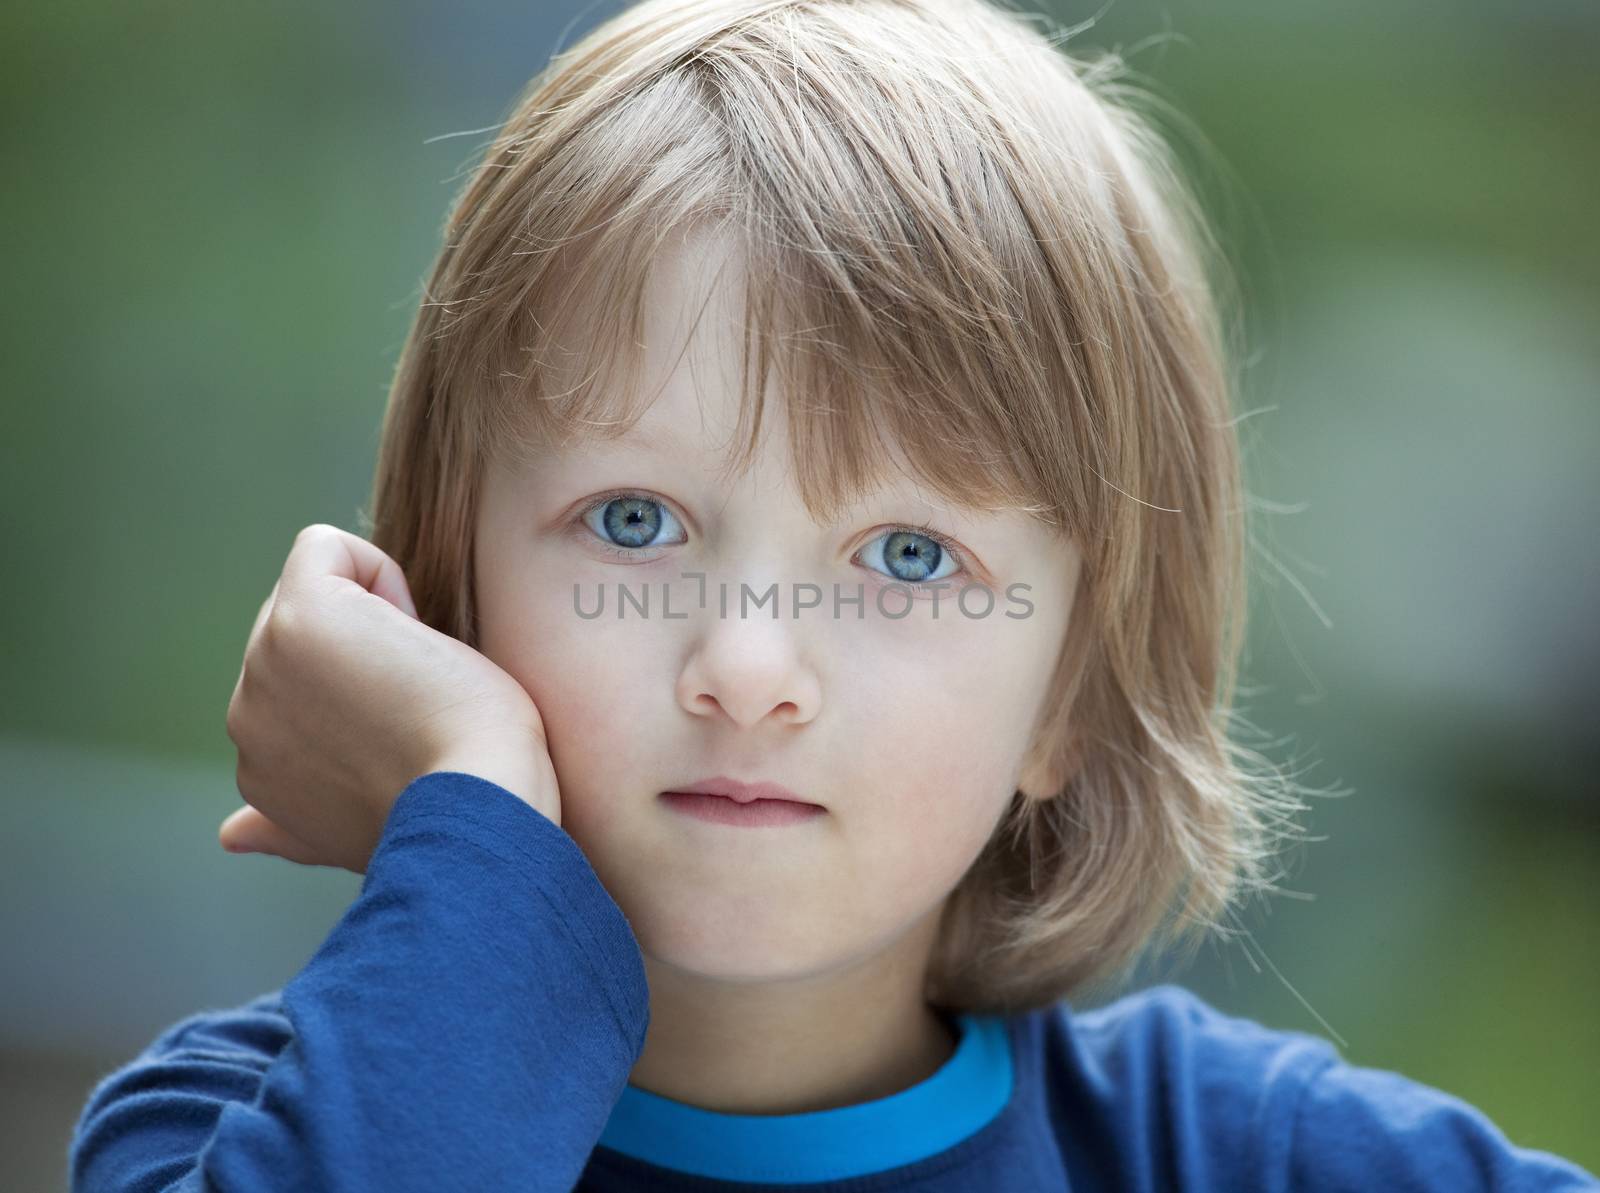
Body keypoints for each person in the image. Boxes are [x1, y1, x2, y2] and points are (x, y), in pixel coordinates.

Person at [67, 0, 1598, 1189]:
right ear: (450, 599)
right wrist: (465, 802)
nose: (747, 667)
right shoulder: (228, 1133)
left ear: (1068, 687)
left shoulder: (1259, 1162)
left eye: (911, 557)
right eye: (636, 518)